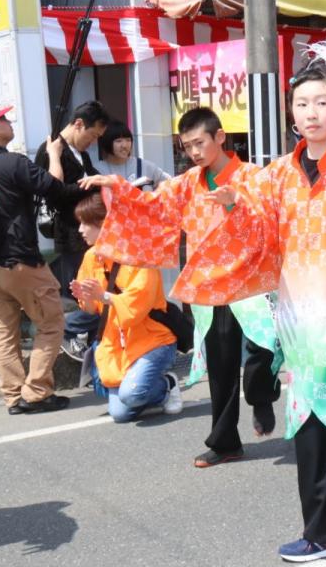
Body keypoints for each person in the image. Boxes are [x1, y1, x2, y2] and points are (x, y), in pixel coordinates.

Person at [91, 42, 326, 567]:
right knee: (306, 423)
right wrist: (225, 206)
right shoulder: (279, 172)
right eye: (302, 104)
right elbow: (254, 225)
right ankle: (325, 531)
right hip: (298, 315)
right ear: (292, 113)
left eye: (322, 102)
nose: (310, 113)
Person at [82, 106, 281, 467]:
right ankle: (225, 442)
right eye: (187, 146)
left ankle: (262, 395)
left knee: (262, 352)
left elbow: (273, 221)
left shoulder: (253, 177)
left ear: (220, 138)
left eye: (200, 143)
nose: (194, 152)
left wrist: (236, 203)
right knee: (221, 366)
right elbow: (152, 206)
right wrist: (118, 187)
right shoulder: (189, 182)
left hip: (253, 281)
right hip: (211, 286)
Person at [0, 101, 73, 415]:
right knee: (51, 324)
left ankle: (12, 396)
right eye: (3, 119)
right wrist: (53, 154)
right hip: (20, 263)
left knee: (4, 332)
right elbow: (57, 190)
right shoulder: (12, 163)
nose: (9, 122)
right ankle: (36, 393)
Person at [69, 194, 181, 422]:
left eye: (85, 223)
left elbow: (136, 307)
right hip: (116, 341)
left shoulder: (139, 256)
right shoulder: (92, 256)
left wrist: (103, 295)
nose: (80, 229)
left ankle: (166, 384)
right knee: (120, 413)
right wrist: (87, 298)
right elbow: (93, 310)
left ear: (105, 224)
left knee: (131, 395)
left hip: (153, 340)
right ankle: (146, 390)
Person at [35, 100, 108, 294]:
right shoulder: (51, 150)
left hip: (88, 228)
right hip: (70, 233)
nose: (93, 142)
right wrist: (89, 184)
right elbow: (54, 193)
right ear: (78, 124)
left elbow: (90, 176)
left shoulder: (81, 153)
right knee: (79, 288)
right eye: (92, 135)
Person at [94, 121, 170, 189]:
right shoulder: (97, 170)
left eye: (128, 140)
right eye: (118, 141)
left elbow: (170, 184)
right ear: (107, 143)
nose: (124, 145)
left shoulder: (146, 167)